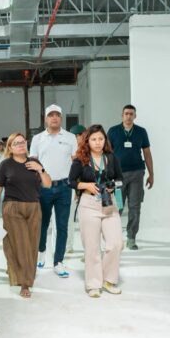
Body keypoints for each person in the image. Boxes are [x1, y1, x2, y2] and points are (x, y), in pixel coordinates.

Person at [0, 133, 51, 298]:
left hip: (34, 207)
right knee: (21, 245)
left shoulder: (35, 162)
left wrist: (40, 169)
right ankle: (25, 283)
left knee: (32, 245)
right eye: (16, 143)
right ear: (10, 147)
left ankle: (20, 273)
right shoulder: (5, 165)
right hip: (13, 208)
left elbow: (47, 184)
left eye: (22, 142)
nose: (20, 145)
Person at [69, 125, 124, 298]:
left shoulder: (111, 157)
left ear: (105, 140)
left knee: (116, 243)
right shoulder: (81, 159)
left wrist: (113, 186)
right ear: (87, 141)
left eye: (101, 139)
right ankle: (93, 284)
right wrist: (86, 185)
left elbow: (120, 179)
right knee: (92, 247)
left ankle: (109, 280)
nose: (98, 142)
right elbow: (71, 181)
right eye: (94, 139)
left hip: (109, 203)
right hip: (89, 204)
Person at [29, 104, 78, 278]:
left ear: (61, 118)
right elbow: (33, 163)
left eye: (57, 115)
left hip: (65, 187)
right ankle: (41, 251)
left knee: (62, 226)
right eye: (51, 115)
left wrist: (76, 186)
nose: (54, 118)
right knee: (42, 223)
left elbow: (76, 162)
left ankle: (58, 262)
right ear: (46, 119)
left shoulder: (70, 137)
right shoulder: (37, 139)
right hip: (44, 187)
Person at [107, 104, 154, 250]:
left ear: (135, 116)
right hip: (118, 177)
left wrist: (151, 174)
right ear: (122, 115)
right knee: (118, 207)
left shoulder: (141, 132)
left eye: (131, 114)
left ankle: (131, 238)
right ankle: (114, 238)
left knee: (135, 206)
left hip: (136, 175)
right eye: (126, 113)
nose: (128, 116)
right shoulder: (113, 131)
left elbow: (147, 153)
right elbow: (107, 154)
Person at [66, 124, 86, 253]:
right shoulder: (68, 151)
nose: (79, 138)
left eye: (80, 135)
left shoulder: (87, 150)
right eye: (76, 136)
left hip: (87, 189)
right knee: (69, 219)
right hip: (72, 188)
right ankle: (68, 246)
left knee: (87, 222)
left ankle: (89, 250)